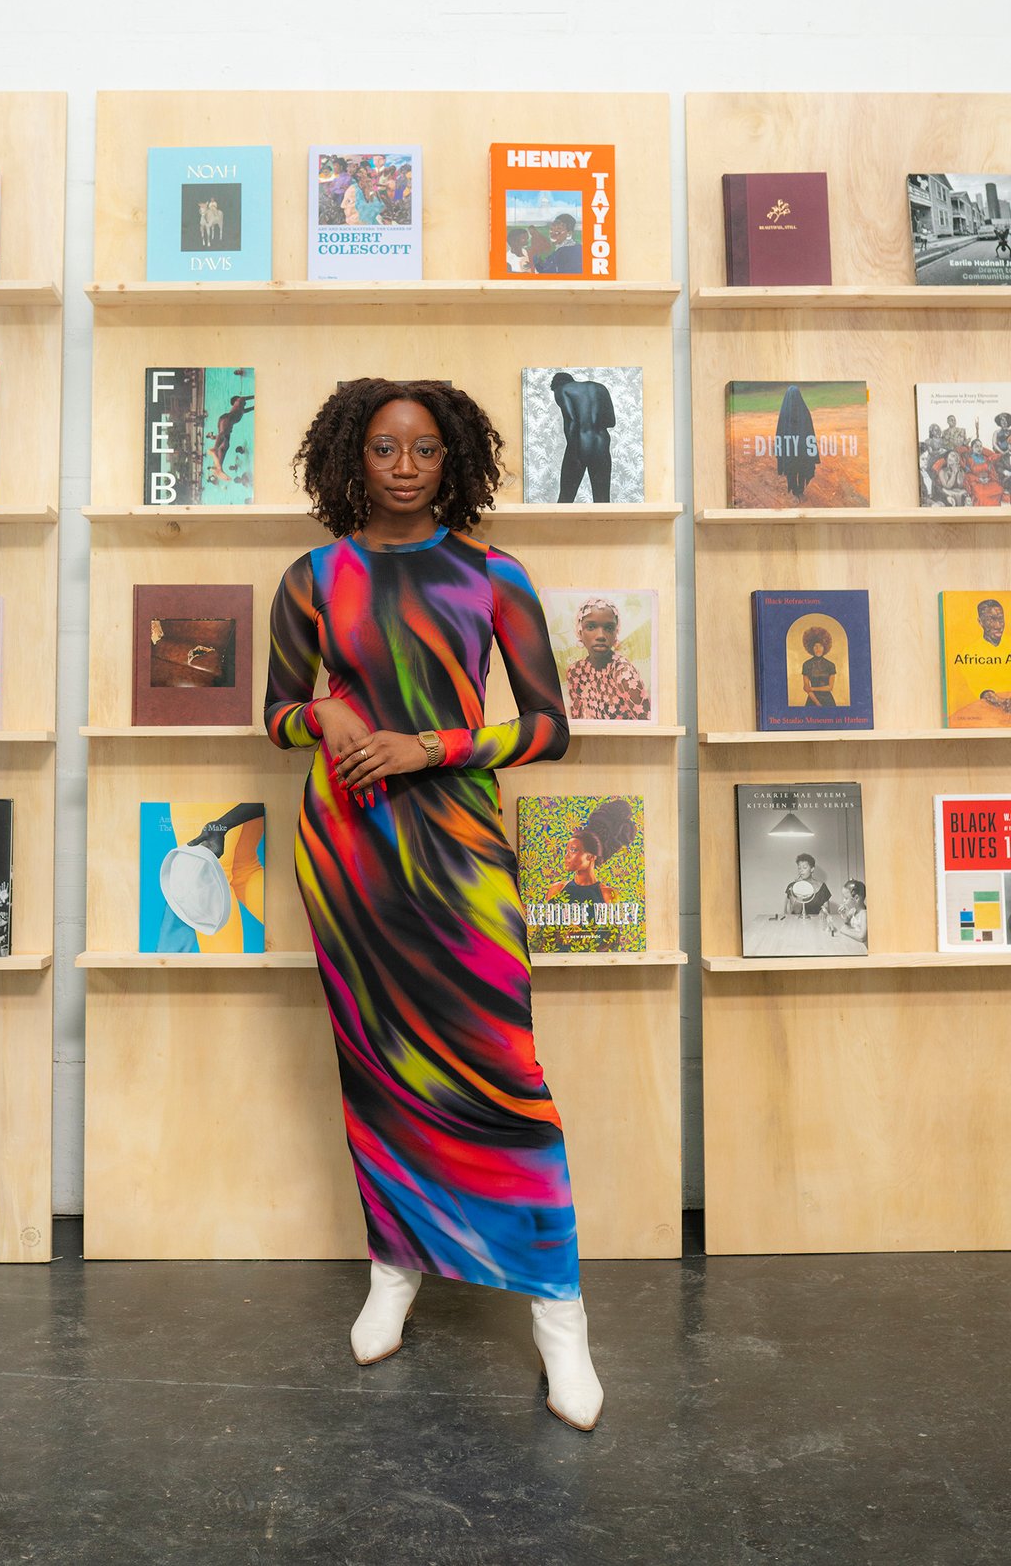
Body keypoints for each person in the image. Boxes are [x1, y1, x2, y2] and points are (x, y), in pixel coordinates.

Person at [265, 377, 602, 1431]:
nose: (404, 465)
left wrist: (433, 745)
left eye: (422, 448)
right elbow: (274, 711)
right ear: (352, 459)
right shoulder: (314, 577)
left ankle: (559, 1314)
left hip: (458, 842)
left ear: (451, 458)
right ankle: (395, 1268)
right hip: (348, 851)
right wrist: (321, 717)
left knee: (505, 1070)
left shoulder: (493, 573)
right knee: (377, 1068)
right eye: (383, 447)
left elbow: (549, 728)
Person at [565, 597, 651, 720]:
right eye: (591, 627)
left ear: (616, 633)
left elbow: (646, 723)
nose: (601, 635)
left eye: (609, 628)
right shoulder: (575, 672)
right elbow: (577, 720)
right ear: (579, 632)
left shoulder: (623, 673)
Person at [544, 799, 636, 903]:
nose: (566, 856)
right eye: (567, 851)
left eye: (573, 850)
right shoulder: (556, 890)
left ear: (591, 856)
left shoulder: (607, 895)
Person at [550, 371, 616, 503]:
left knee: (566, 499)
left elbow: (571, 421)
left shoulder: (562, 390)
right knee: (602, 501)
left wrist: (573, 453)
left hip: (579, 444)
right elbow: (611, 422)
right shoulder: (601, 388)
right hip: (602, 445)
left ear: (556, 385)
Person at [800, 626, 838, 708]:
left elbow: (830, 688)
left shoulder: (830, 665)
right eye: (815, 646)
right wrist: (817, 703)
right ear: (811, 648)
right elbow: (806, 688)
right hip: (812, 699)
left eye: (821, 646)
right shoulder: (806, 664)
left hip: (828, 701)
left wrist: (812, 688)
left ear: (825, 647)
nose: (818, 649)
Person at [784, 852, 831, 918]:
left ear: (812, 869)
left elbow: (827, 909)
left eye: (804, 868)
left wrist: (823, 912)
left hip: (816, 922)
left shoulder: (822, 887)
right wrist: (799, 886)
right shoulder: (792, 886)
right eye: (799, 868)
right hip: (797, 922)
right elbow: (797, 911)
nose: (801, 871)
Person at [825, 879, 867, 945]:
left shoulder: (864, 914)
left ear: (856, 898)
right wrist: (844, 914)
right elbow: (846, 923)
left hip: (862, 947)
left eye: (846, 898)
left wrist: (845, 931)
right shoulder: (853, 910)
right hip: (855, 943)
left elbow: (862, 937)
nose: (843, 900)